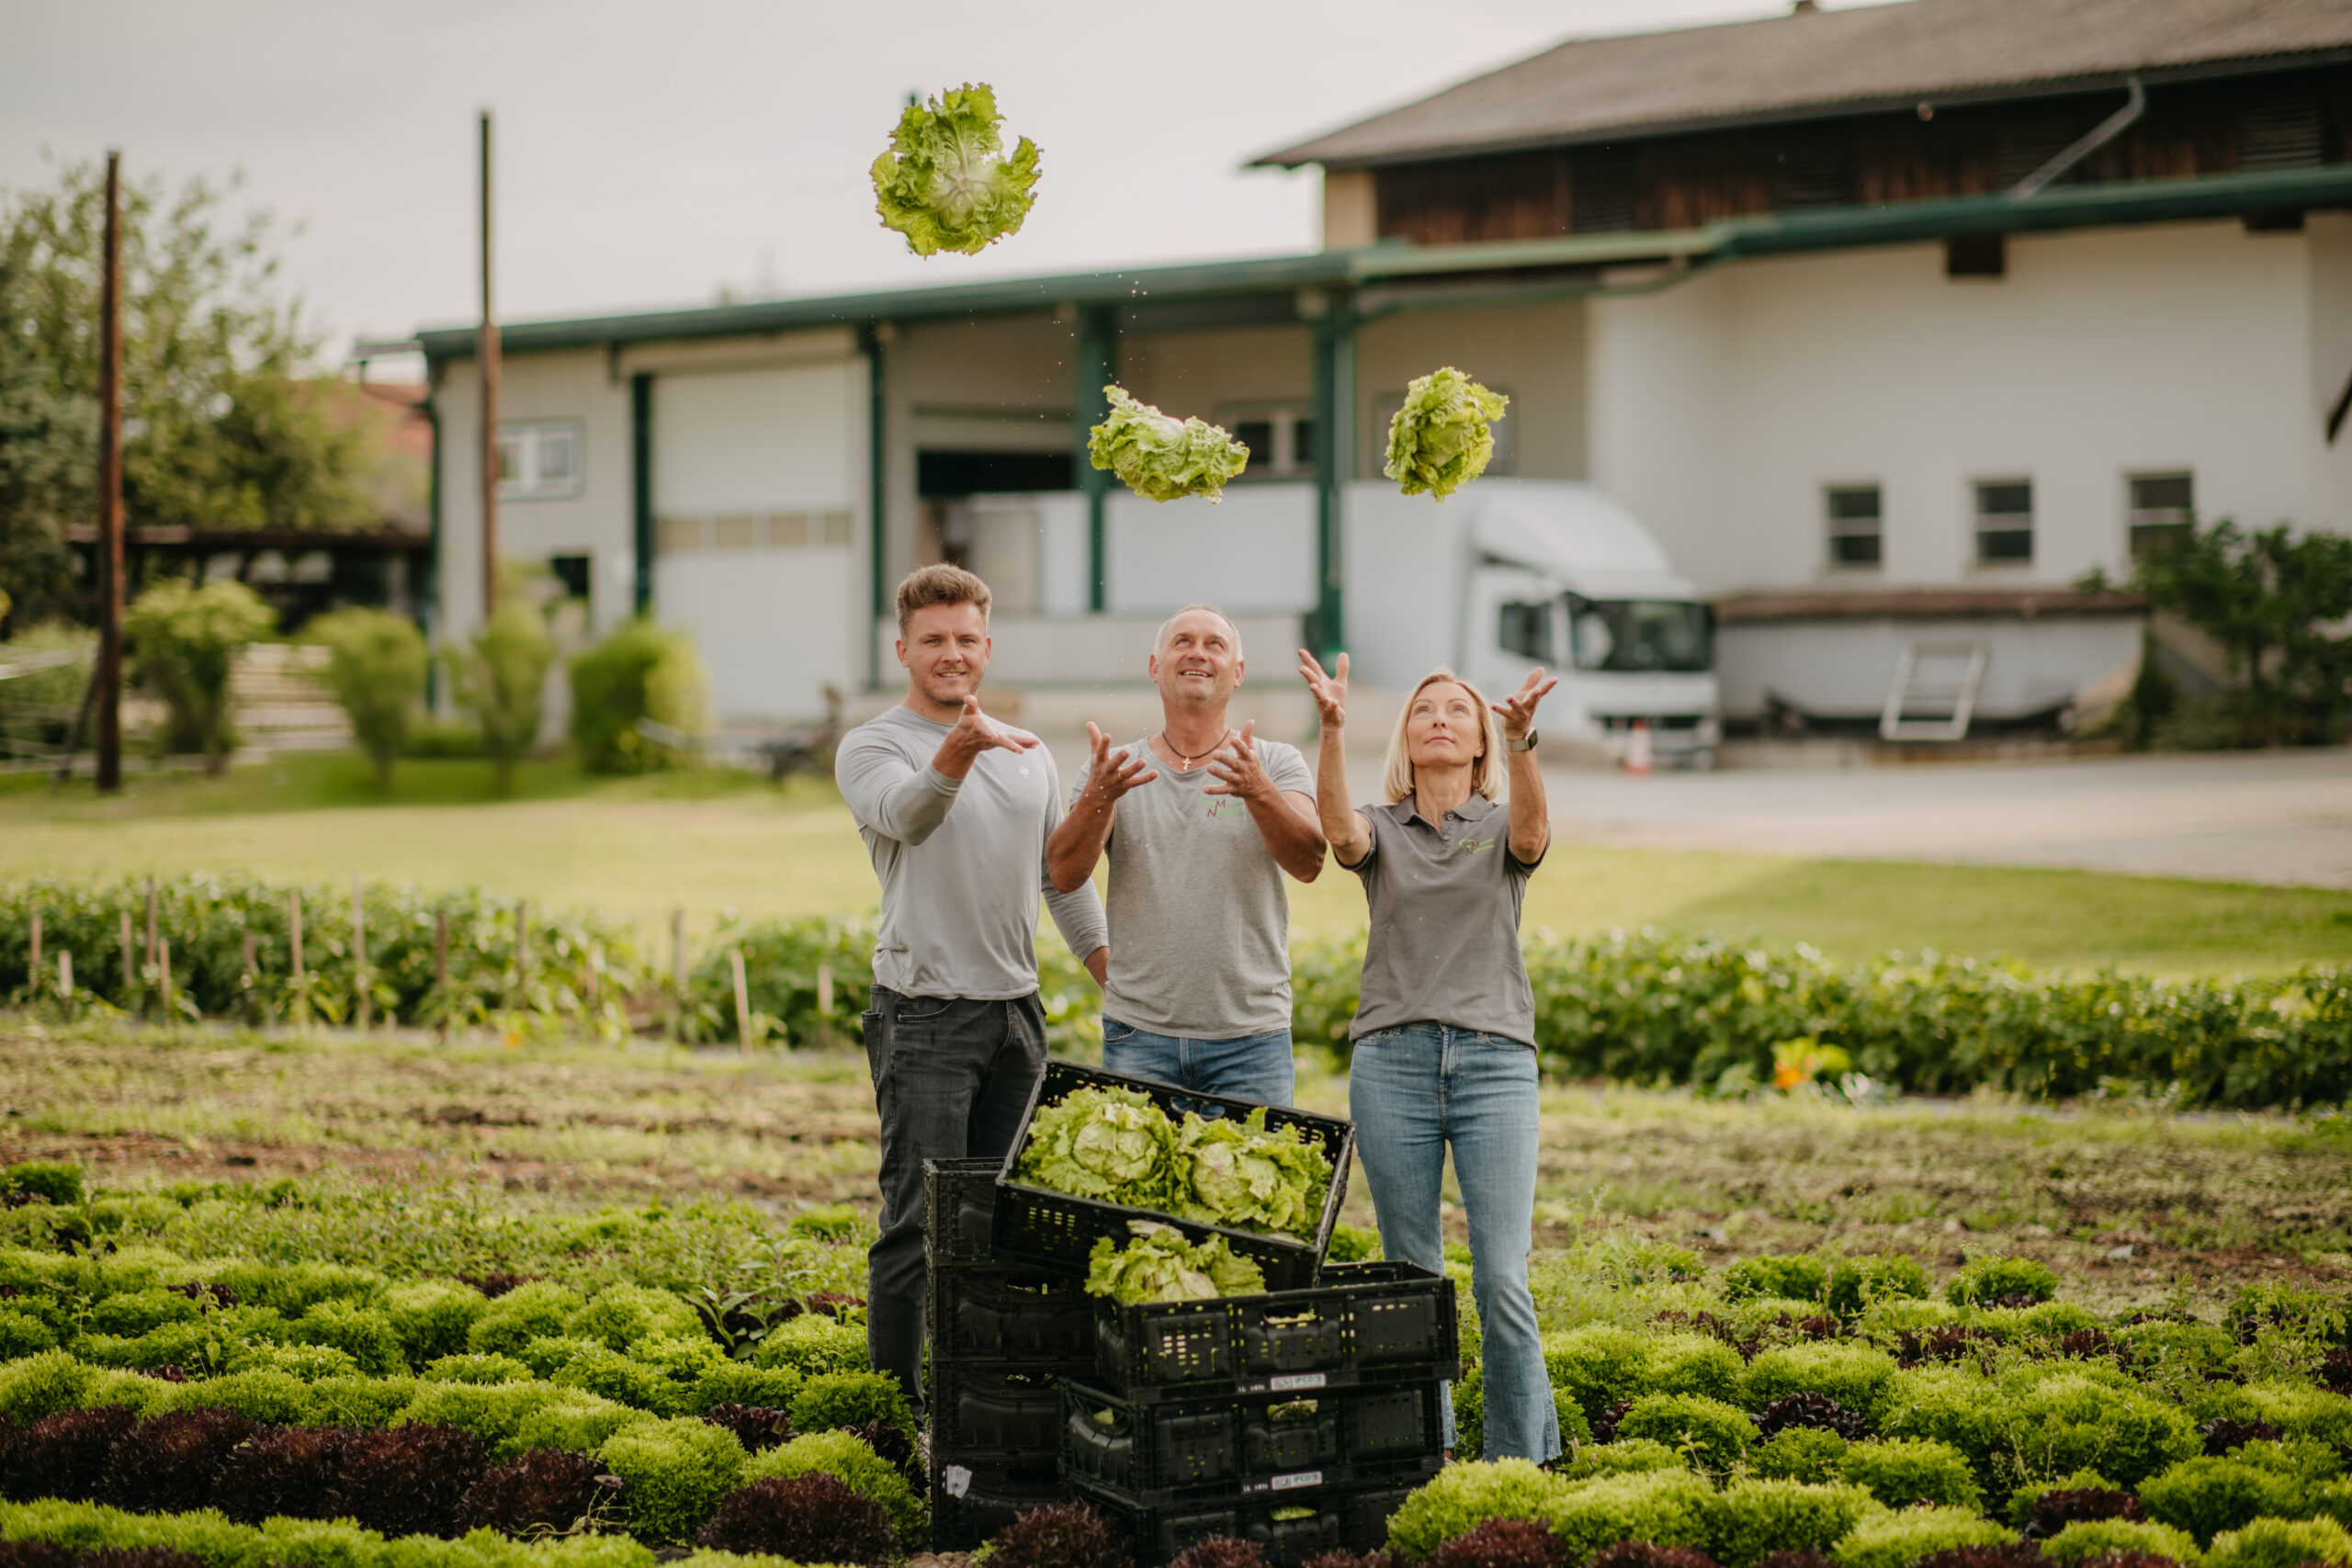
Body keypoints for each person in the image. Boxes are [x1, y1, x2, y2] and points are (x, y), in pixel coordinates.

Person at [835, 564, 1108, 1411]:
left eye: (965, 640)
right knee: (919, 1222)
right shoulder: (874, 744)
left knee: (1001, 1222)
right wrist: (958, 749)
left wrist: (1114, 978)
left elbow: (1061, 879)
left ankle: (982, 1397)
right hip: (924, 1016)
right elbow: (912, 815)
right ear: (903, 649)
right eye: (933, 641)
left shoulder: (1030, 757)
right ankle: (896, 1408)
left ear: (987, 646)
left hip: (1015, 1016)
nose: (951, 654)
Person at [1296, 649, 1562, 1462]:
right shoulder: (1381, 827)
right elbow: (1338, 833)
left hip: (1495, 1066)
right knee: (1411, 1277)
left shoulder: (1498, 821)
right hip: (1393, 1065)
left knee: (1501, 1279)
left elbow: (1533, 833)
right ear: (1406, 740)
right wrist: (1332, 729)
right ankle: (1426, 1454)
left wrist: (1525, 744)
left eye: (1456, 710)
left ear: (1480, 739)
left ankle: (1520, 1462)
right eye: (1423, 710)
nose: (1439, 719)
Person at [1047, 604, 1324, 1106]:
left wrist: (1259, 791)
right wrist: (1099, 797)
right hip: (1139, 1037)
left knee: (1245, 1185)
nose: (1198, 653)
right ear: (1155, 667)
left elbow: (1309, 862)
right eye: (1182, 642)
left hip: (1252, 1040)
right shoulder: (1112, 769)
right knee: (1141, 1184)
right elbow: (1064, 874)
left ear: (1237, 673)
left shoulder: (1276, 763)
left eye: (1215, 644)